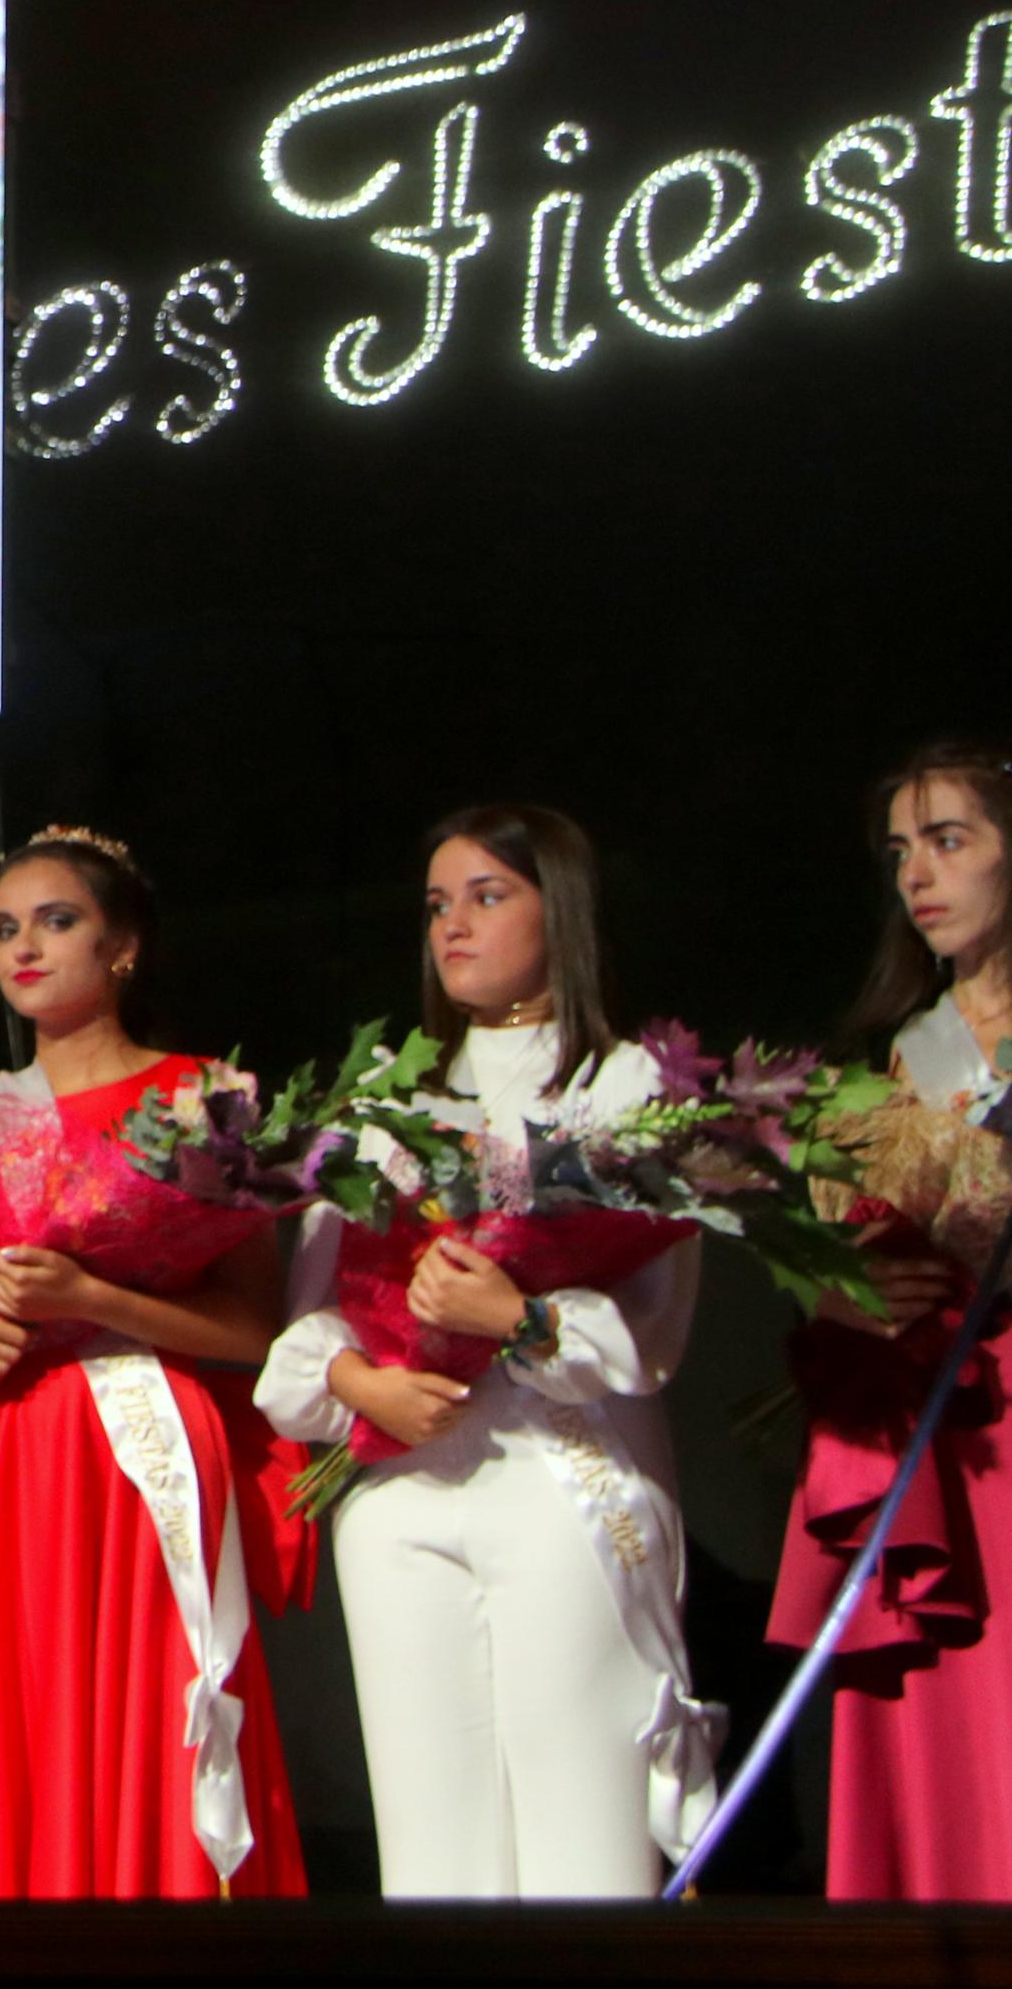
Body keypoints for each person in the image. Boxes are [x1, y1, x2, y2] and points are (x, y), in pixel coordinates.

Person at [257, 802, 707, 1896]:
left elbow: (651, 1331)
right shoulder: (382, 1102)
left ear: (559, 909)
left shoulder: (629, 1090)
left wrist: (515, 1314)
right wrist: (357, 1380)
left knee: (580, 1841)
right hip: (401, 1488)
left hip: (556, 1474)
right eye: (434, 904)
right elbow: (310, 1321)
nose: (450, 925)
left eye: (485, 895)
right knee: (427, 1855)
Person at [0, 832, 306, 1899]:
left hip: (132, 1452)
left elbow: (254, 1330)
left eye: (53, 921)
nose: (23, 948)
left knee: (129, 1719)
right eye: (4, 929)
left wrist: (93, 1300)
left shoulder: (202, 1095)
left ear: (124, 946)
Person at [770, 741, 1012, 1896]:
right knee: (939, 1741)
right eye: (900, 852)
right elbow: (847, 1253)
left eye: (948, 840)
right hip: (934, 1434)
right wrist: (839, 1289)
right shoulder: (897, 1059)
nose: (918, 873)